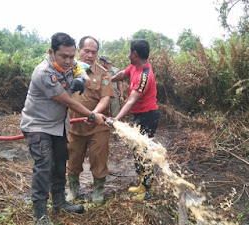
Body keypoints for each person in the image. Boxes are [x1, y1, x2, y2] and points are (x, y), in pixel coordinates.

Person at [20, 32, 105, 225]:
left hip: (58, 126)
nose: (68, 61)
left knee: (59, 164)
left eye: (71, 56)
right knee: (43, 166)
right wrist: (92, 115)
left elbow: (83, 72)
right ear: (52, 52)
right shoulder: (44, 72)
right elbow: (67, 101)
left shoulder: (71, 64)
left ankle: (59, 201)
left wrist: (81, 79)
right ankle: (40, 214)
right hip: (38, 126)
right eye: (63, 56)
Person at [66, 36, 114, 203]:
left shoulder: (103, 73)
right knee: (73, 159)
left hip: (97, 126)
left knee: (99, 157)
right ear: (79, 51)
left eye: (94, 52)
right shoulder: (67, 71)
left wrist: (93, 114)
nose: (90, 55)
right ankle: (73, 189)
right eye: (86, 51)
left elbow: (105, 98)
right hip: (74, 126)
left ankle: (98, 191)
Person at [110, 39, 159, 201]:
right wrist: (109, 81)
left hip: (148, 117)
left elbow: (130, 101)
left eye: (130, 51)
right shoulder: (134, 67)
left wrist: (116, 119)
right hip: (140, 116)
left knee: (143, 152)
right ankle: (141, 183)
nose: (128, 54)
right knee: (137, 150)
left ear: (135, 54)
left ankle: (147, 190)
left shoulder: (145, 76)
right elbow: (123, 74)